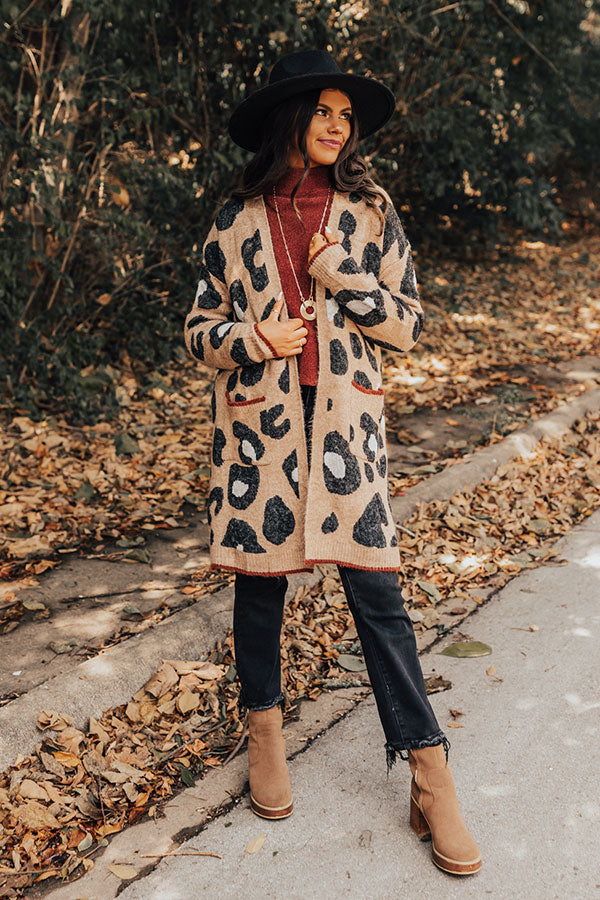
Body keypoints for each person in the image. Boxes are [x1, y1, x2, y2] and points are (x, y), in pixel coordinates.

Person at [184, 48, 481, 876]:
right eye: (324, 111)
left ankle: (429, 771)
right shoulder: (236, 218)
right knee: (260, 583)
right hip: (262, 428)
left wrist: (342, 274)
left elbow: (410, 322)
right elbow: (197, 330)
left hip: (346, 428)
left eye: (346, 117)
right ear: (290, 117)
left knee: (377, 591)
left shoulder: (369, 209)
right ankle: (265, 732)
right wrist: (252, 339)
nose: (337, 126)